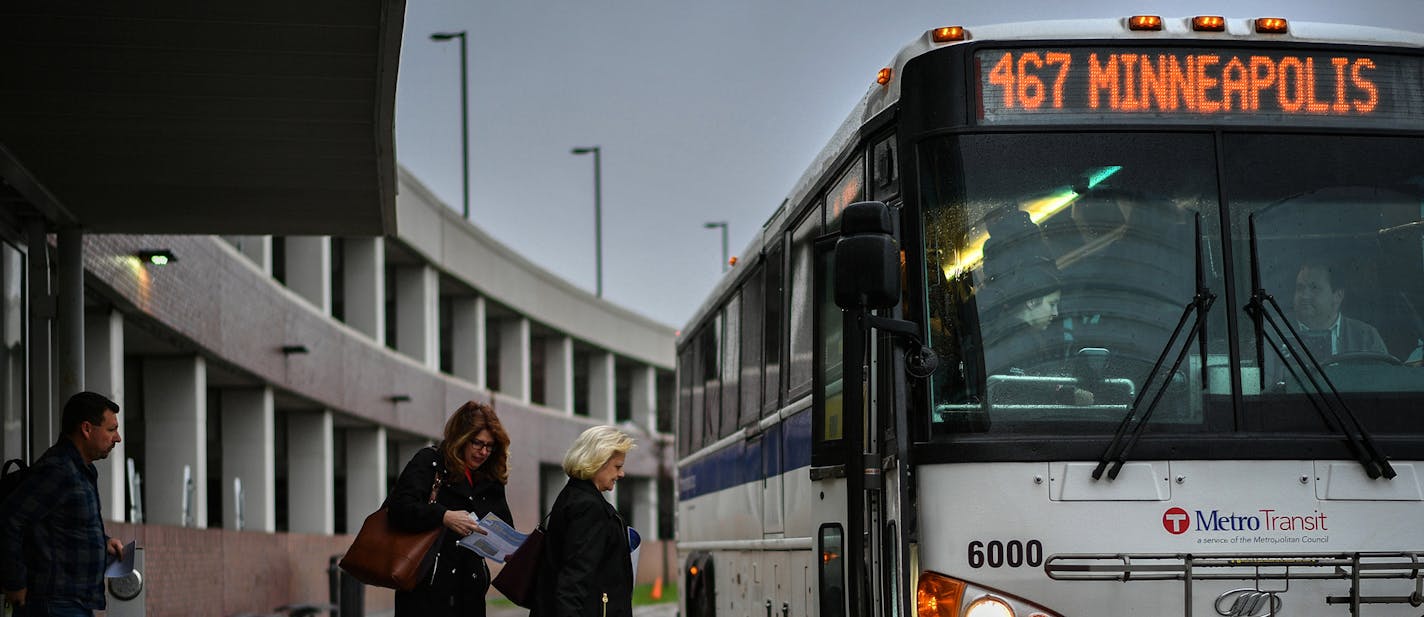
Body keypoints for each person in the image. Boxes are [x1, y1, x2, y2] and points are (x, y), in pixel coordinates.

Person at [0, 391, 125, 617]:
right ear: (86, 429)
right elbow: (10, 520)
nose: (117, 438)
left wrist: (103, 543)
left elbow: (63, 527)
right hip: (53, 604)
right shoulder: (58, 470)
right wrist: (15, 582)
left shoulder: (81, 471)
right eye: (111, 429)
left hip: (73, 603)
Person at [388, 401, 512, 617]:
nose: (483, 452)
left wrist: (509, 546)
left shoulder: (490, 478)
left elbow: (503, 524)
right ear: (461, 437)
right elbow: (398, 509)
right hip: (427, 590)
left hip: (470, 593)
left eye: (490, 446)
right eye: (477, 443)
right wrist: (443, 516)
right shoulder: (430, 462)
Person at [530, 426, 636, 617]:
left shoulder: (573, 495)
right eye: (617, 467)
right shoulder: (588, 507)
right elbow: (574, 579)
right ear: (598, 462)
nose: (621, 474)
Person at [1291, 261, 1388, 361]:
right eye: (1300, 287)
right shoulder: (1276, 333)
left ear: (1338, 296)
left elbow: (1383, 375)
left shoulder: (1367, 337)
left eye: (1314, 288)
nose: (1305, 296)